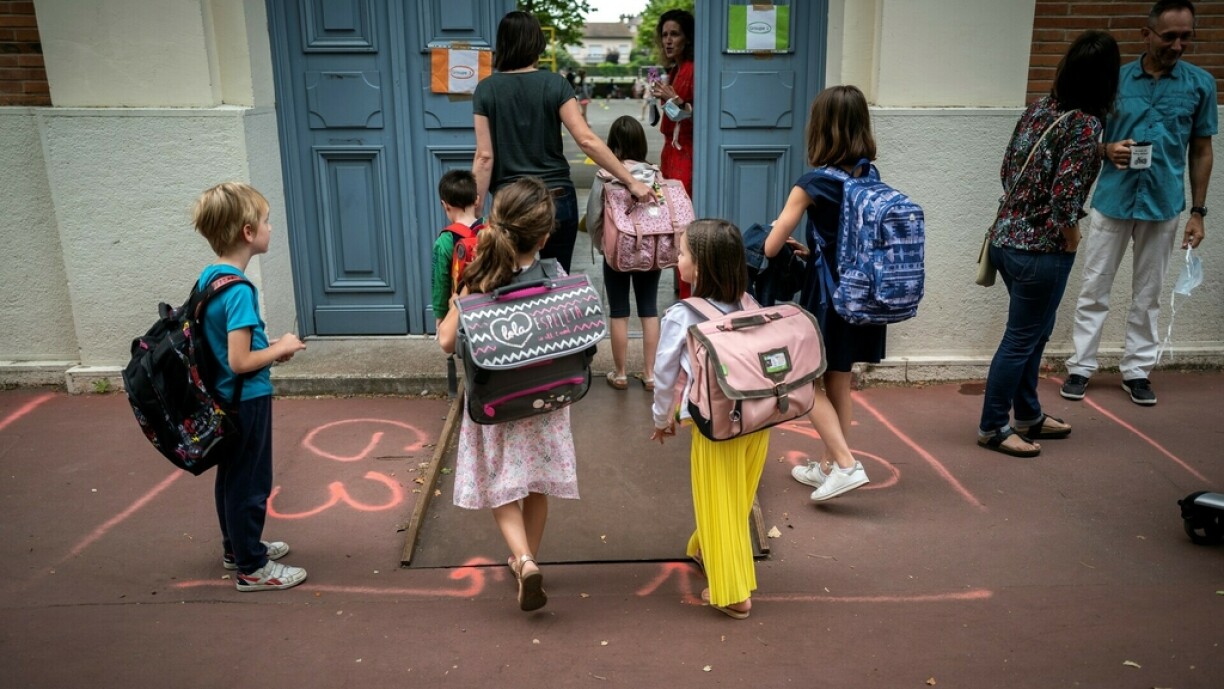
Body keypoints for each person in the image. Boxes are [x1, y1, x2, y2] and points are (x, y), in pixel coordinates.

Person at [1061, 0, 1216, 407]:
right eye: (1169, 37)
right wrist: (1104, 148)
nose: (1178, 45)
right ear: (1146, 34)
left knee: (1149, 293)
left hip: (1164, 203)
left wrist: (1198, 212)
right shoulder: (1113, 80)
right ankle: (1081, 365)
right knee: (1095, 287)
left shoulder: (1200, 84)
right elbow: (1082, 137)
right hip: (1112, 200)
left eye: (1186, 37)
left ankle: (1137, 370)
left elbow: (1201, 150)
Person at [437, 177, 579, 612]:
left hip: (493, 401)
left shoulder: (479, 278)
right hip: (545, 400)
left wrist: (456, 306)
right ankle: (526, 559)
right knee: (536, 484)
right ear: (543, 235)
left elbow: (446, 341)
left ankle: (523, 560)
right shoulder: (555, 275)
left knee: (501, 484)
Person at [977, 31, 1121, 458]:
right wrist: (1071, 235)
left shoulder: (1040, 109)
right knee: (1021, 338)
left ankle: (1028, 416)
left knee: (1034, 334)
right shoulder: (1087, 124)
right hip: (1041, 251)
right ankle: (992, 427)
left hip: (1006, 241)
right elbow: (1064, 196)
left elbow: (1007, 169)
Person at [761, 86, 881, 501]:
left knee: (805, 382)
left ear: (820, 129)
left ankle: (846, 465)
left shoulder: (813, 183)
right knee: (839, 383)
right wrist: (817, 248)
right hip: (859, 293)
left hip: (827, 298)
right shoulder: (869, 176)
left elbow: (771, 247)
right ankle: (831, 465)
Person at [192, 182, 308, 591]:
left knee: (231, 476)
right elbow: (241, 361)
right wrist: (281, 349)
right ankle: (252, 567)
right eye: (265, 220)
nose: (270, 227)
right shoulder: (240, 290)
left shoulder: (211, 278)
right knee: (251, 482)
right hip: (247, 399)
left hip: (224, 398)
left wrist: (270, 345)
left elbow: (227, 348)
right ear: (247, 232)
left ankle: (236, 547)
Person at [649, 219, 767, 620]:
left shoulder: (683, 316)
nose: (676, 258)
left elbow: (664, 374)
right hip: (756, 421)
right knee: (734, 498)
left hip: (717, 425)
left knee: (715, 499)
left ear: (698, 267)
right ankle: (705, 548)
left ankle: (734, 593)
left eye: (681, 253)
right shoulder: (751, 303)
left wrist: (662, 417)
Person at [473, 11, 652, 274]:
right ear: (537, 43)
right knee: (556, 285)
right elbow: (587, 140)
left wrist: (475, 207)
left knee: (511, 284)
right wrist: (631, 180)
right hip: (556, 199)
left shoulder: (486, 89)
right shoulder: (555, 84)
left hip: (511, 202)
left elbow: (484, 156)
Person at [584, 115, 662, 391]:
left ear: (613, 146)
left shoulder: (605, 175)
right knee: (649, 309)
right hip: (650, 252)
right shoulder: (654, 174)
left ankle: (619, 374)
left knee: (618, 311)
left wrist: (603, 244)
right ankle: (651, 374)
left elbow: (594, 216)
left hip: (617, 252)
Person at [651, 9, 695, 300]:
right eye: (665, 34)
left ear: (687, 38)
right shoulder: (677, 70)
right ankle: (682, 290)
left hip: (683, 155)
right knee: (676, 226)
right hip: (673, 154)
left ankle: (687, 294)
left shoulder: (690, 69)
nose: (668, 41)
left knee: (682, 227)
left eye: (675, 34)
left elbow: (691, 116)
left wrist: (671, 99)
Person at [430, 169, 481, 333]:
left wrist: (441, 315)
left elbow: (440, 281)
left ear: (445, 205)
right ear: (477, 200)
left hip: (461, 306)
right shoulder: (492, 229)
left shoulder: (445, 240)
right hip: (492, 301)